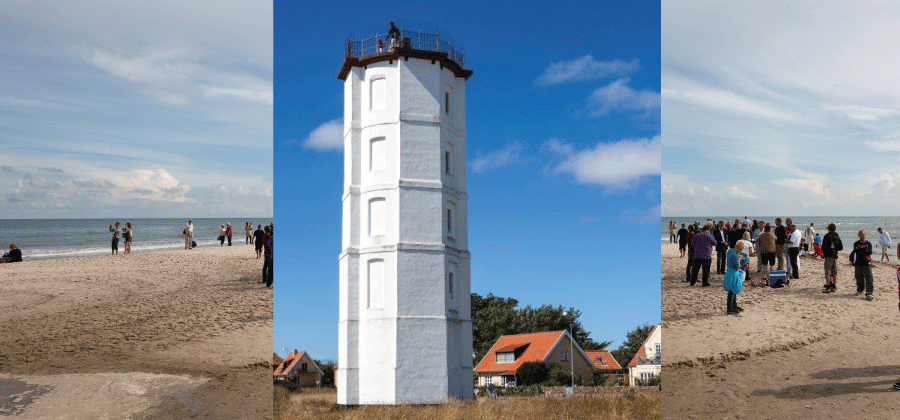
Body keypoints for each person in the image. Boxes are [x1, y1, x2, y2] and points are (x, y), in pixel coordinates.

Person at [850, 230, 874, 300]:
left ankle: (869, 293)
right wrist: (863, 251)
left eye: (863, 235)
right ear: (858, 235)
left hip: (867, 263)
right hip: (858, 262)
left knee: (869, 278)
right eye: (860, 235)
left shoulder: (868, 243)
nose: (862, 236)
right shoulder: (856, 243)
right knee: (859, 277)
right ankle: (860, 290)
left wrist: (861, 250)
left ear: (865, 235)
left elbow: (869, 252)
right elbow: (855, 251)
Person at [690, 222, 717, 287]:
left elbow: (692, 243)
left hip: (698, 254)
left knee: (695, 270)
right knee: (706, 270)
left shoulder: (698, 235)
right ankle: (704, 283)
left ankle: (692, 282)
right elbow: (715, 243)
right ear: (709, 229)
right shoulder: (710, 236)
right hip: (707, 255)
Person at [724, 241, 746, 315]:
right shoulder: (735, 256)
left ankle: (734, 306)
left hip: (729, 272)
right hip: (733, 274)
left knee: (733, 290)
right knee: (732, 291)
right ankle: (730, 308)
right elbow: (738, 266)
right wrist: (739, 259)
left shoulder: (729, 251)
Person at [822, 223, 843, 293]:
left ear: (829, 229)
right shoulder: (837, 236)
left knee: (827, 271)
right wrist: (835, 249)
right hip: (835, 255)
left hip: (828, 255)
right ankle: (833, 285)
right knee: (834, 271)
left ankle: (828, 286)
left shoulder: (827, 236)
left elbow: (823, 247)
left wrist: (825, 252)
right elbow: (841, 247)